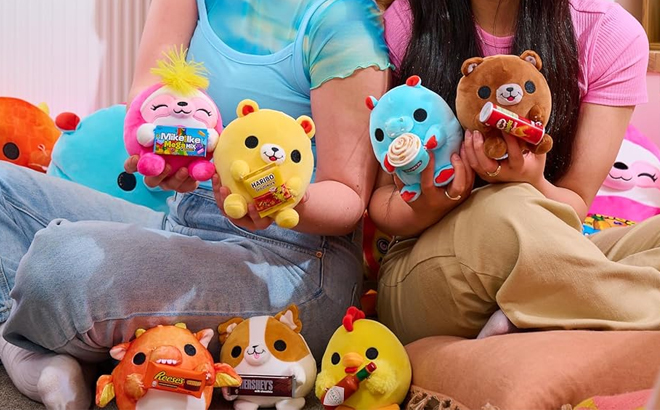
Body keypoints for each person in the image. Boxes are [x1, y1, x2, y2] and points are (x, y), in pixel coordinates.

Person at [0, 0, 390, 408]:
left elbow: (348, 196)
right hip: (185, 221)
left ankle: (28, 341)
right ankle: (29, 355)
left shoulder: (343, 20)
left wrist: (277, 200)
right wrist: (161, 151)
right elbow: (146, 99)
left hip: (294, 262)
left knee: (58, 264)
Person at [370, 0, 657, 346]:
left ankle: (541, 308)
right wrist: (435, 202)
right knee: (507, 209)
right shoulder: (406, 20)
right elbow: (382, 204)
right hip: (423, 267)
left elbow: (575, 203)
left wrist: (532, 181)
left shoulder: (612, 34)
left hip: (548, 243)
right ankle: (555, 306)